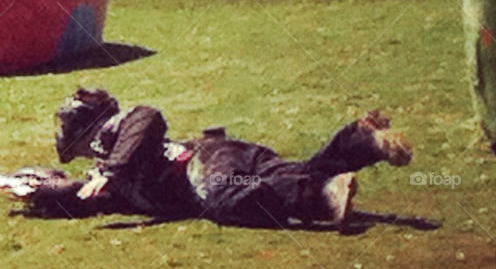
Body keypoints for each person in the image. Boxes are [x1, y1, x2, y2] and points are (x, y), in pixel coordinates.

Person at [23, 88, 413, 228]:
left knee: (227, 201)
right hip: (227, 157)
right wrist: (38, 192)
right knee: (294, 173)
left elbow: (149, 116)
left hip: (205, 167)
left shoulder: (117, 133)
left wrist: (110, 171)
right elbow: (87, 198)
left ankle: (322, 197)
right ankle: (363, 142)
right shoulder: (109, 178)